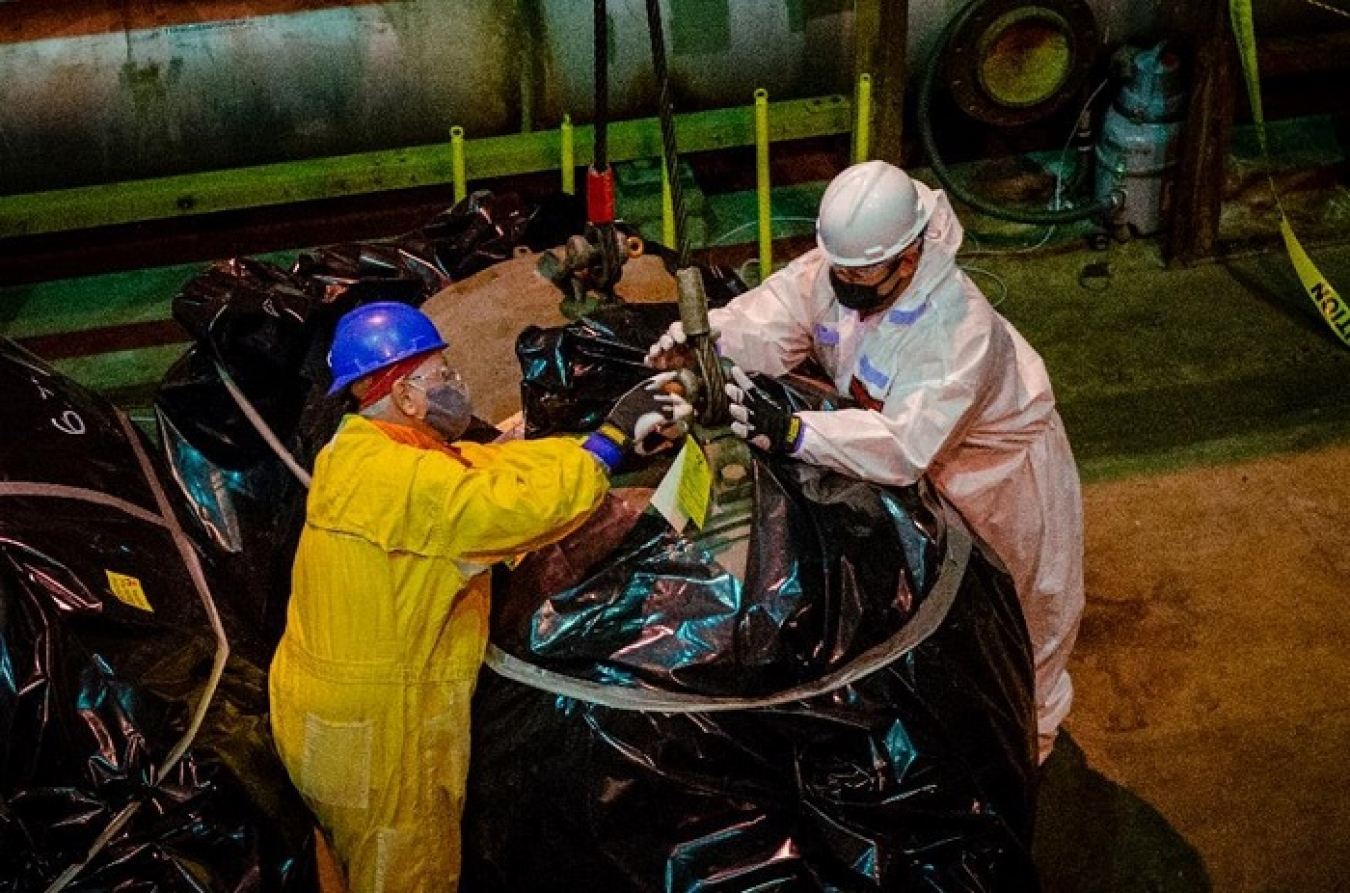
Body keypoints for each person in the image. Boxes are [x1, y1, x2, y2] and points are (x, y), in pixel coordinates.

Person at [648, 160, 1084, 764]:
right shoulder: (840, 273)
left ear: (909, 256)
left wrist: (794, 431)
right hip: (924, 464)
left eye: (863, 270)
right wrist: (709, 343)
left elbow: (903, 445)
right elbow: (778, 318)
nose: (846, 281)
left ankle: (1024, 742)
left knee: (1026, 607)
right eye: (839, 266)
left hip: (999, 477)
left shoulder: (958, 330)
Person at [269, 301, 689, 893]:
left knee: (344, 864)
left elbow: (488, 465)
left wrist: (604, 445)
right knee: (409, 875)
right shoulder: (409, 484)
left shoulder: (363, 447)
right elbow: (507, 509)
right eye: (443, 375)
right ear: (406, 394)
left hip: (320, 714)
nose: (455, 386)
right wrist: (609, 444)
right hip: (386, 736)